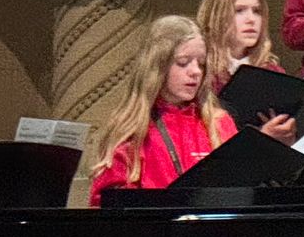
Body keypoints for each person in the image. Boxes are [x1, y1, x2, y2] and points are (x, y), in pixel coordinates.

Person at [89, 16, 290, 204]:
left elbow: (241, 188)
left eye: (201, 64)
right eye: (183, 63)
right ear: (157, 66)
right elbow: (109, 207)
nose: (195, 71)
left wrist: (265, 152)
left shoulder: (219, 123)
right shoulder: (134, 131)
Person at [197, 0, 281, 92]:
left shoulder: (272, 73)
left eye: (256, 11)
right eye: (239, 10)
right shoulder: (199, 69)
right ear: (217, 15)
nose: (251, 19)